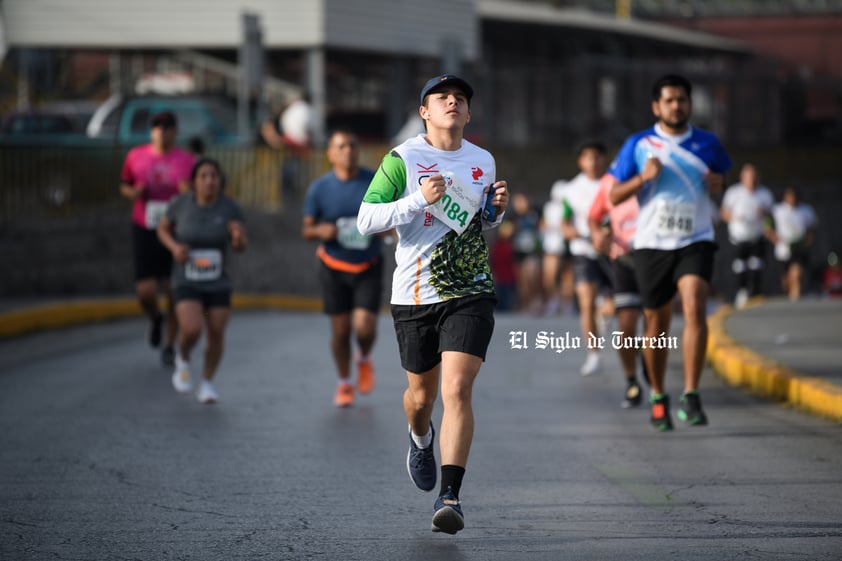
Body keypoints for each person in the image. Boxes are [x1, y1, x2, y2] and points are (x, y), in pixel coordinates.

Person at [356, 74, 509, 535]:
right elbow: (367, 219)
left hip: (470, 289)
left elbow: (478, 222)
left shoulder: (482, 159)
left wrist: (495, 211)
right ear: (425, 111)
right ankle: (420, 437)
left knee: (457, 390)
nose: (452, 103)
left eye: (460, 98)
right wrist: (417, 200)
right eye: (442, 97)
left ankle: (451, 496)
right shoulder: (402, 158)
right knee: (421, 398)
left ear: (468, 112)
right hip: (415, 292)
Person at [609, 74, 732, 431]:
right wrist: (643, 178)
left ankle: (692, 393)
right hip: (652, 243)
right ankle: (659, 394)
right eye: (670, 100)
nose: (677, 105)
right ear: (656, 106)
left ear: (689, 104)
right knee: (657, 324)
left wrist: (720, 184)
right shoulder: (639, 144)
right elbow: (615, 195)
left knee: (694, 303)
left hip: (696, 238)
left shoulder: (708, 143)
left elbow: (725, 181)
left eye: (682, 99)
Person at [301, 129, 383, 407]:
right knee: (340, 331)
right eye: (342, 146)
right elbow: (306, 229)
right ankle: (344, 382)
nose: (348, 150)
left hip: (368, 263)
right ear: (331, 153)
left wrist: (387, 230)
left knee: (365, 327)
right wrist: (319, 230)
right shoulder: (320, 188)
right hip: (333, 265)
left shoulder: (374, 181)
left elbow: (391, 215)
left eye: (352, 145)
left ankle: (364, 356)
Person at [156, 158, 248, 403]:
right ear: (194, 182)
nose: (209, 181)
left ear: (220, 181)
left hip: (218, 280)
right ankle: (183, 358)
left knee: (217, 332)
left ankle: (207, 382)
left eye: (214, 176)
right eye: (204, 176)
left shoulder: (229, 208)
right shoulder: (181, 204)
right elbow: (162, 229)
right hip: (187, 278)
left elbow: (240, 246)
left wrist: (238, 237)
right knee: (192, 329)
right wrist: (175, 248)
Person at [119, 110, 195, 367]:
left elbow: (199, 194)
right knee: (145, 291)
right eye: (157, 127)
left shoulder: (186, 160)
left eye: (167, 127)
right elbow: (124, 184)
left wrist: (188, 192)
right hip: (145, 227)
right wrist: (134, 192)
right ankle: (155, 318)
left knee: (173, 290)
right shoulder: (136, 156)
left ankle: (170, 345)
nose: (162, 131)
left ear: (175, 131)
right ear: (151, 131)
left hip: (175, 231)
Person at [588, 171, 648, 408]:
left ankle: (651, 364)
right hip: (623, 259)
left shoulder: (656, 174)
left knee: (654, 323)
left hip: (655, 260)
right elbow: (594, 217)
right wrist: (598, 235)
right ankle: (632, 380)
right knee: (627, 324)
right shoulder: (609, 182)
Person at [560, 141, 613, 376]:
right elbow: (565, 220)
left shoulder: (614, 184)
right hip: (584, 251)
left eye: (597, 157)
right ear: (581, 161)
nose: (593, 162)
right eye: (587, 158)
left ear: (604, 159)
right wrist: (570, 231)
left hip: (612, 252)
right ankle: (593, 354)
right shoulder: (572, 189)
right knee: (586, 302)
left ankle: (605, 312)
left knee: (614, 306)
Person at [720, 163, 775, 308]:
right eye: (749, 176)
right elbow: (723, 213)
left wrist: (764, 215)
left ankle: (756, 293)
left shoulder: (765, 194)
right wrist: (735, 216)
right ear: (742, 177)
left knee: (756, 264)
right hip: (739, 236)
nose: (751, 179)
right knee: (740, 266)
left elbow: (771, 217)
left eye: (754, 176)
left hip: (757, 235)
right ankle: (742, 291)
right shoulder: (734, 192)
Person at [260, 94, 315, 200]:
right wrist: (280, 143)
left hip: (282, 152)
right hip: (270, 153)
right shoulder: (281, 115)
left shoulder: (287, 114)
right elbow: (267, 129)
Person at [770, 187, 818, 301]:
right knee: (786, 280)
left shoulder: (806, 210)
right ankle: (789, 292)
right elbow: (767, 222)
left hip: (799, 247)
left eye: (794, 197)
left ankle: (795, 299)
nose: (792, 200)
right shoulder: (778, 210)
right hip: (784, 248)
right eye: (790, 197)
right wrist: (772, 236)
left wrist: (809, 239)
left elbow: (812, 226)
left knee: (796, 273)